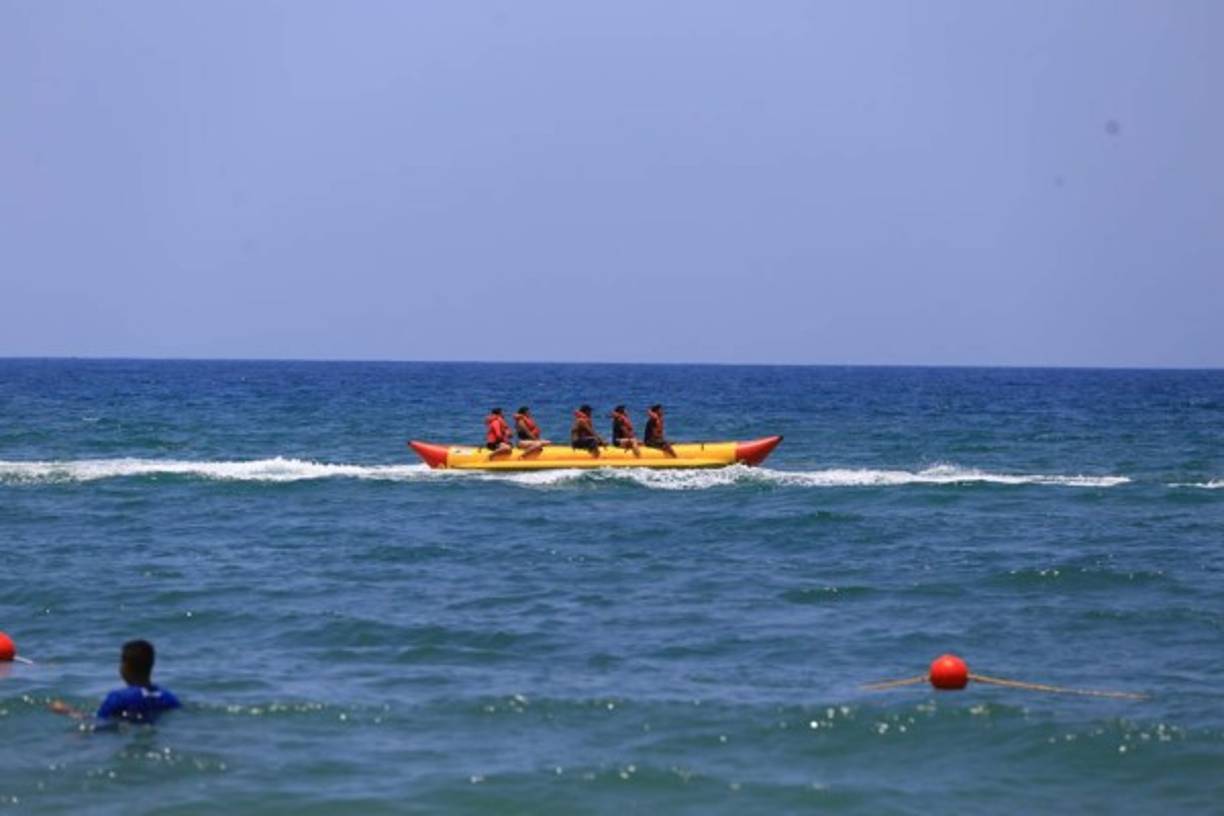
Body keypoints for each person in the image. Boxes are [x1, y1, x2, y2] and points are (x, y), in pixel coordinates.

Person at [49, 639, 181, 724]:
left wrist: (68, 711)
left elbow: (97, 722)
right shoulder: (169, 697)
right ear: (152, 664)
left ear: (125, 666)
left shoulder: (118, 697)